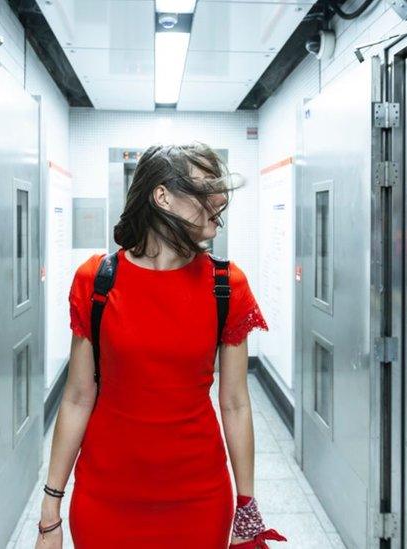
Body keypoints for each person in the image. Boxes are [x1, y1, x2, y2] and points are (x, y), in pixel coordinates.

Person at [36, 143, 287, 548]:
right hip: (106, 496)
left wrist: (246, 506)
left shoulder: (227, 285)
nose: (219, 200)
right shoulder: (96, 281)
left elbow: (236, 403)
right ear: (162, 195)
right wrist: (51, 510)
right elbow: (78, 397)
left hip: (199, 498)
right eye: (205, 188)